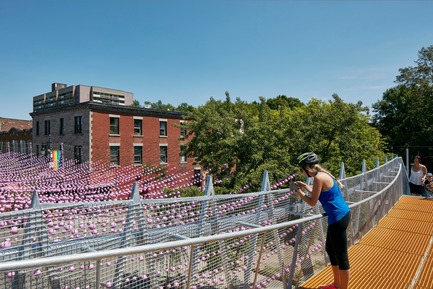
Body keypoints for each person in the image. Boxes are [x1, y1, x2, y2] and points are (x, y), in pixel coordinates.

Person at [293, 152, 351, 289]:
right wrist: (306, 187)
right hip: (338, 216)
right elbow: (320, 194)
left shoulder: (319, 178)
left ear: (307, 168)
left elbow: (312, 202)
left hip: (338, 217)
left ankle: (342, 287)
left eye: (301, 169)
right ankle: (336, 284)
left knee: (342, 257)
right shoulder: (322, 175)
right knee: (330, 250)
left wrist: (298, 192)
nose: (301, 172)